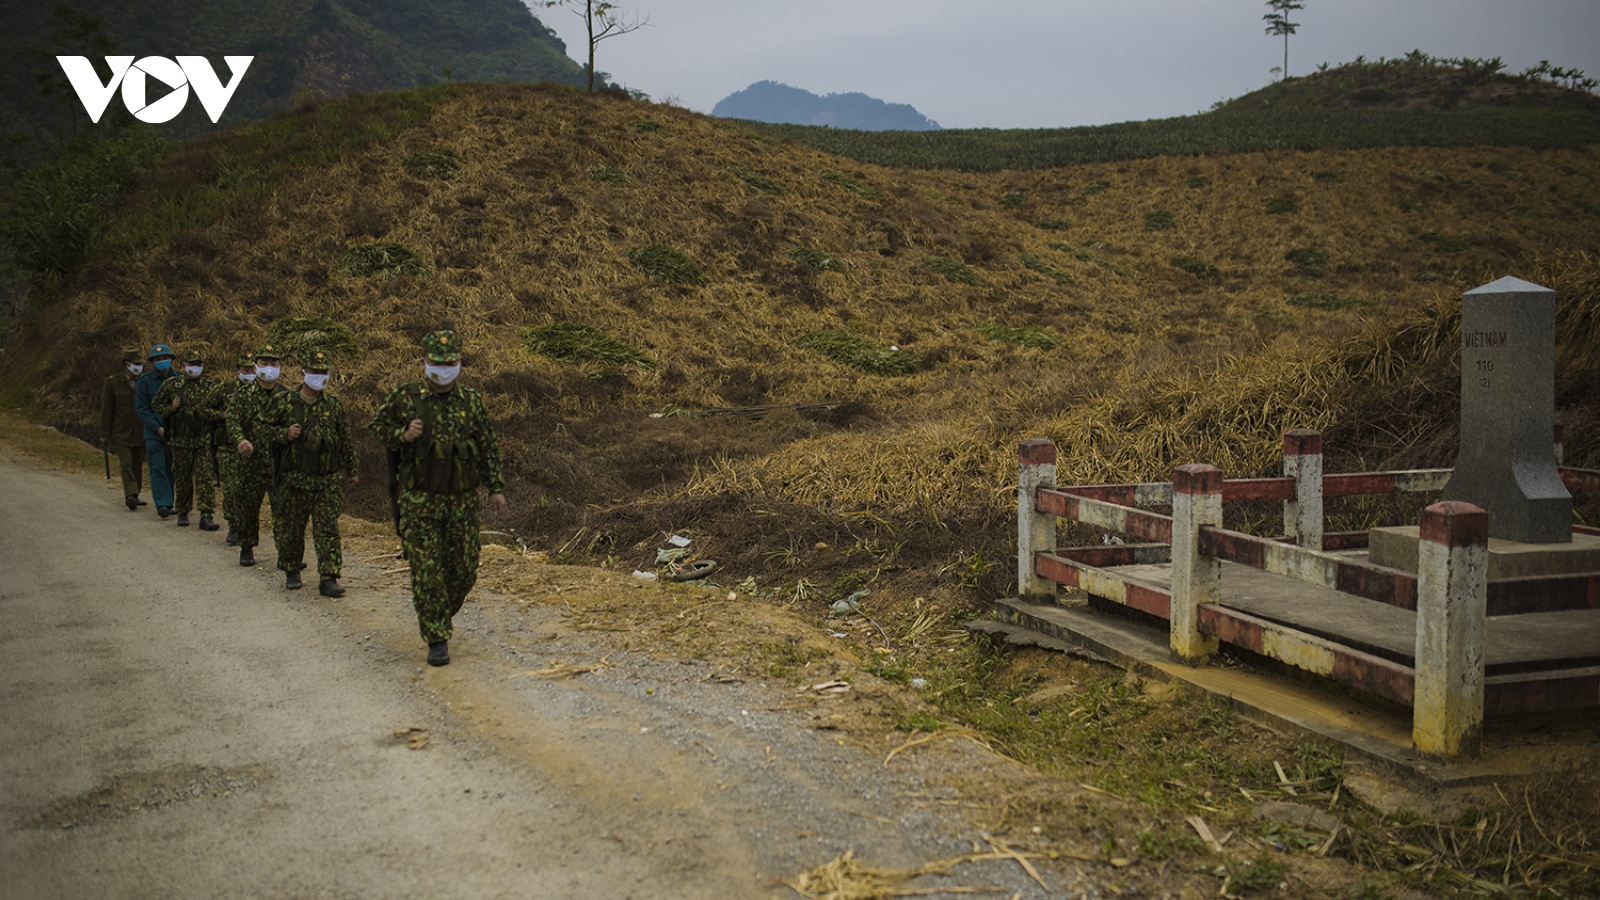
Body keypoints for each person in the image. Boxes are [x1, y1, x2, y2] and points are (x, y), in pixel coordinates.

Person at [369, 330, 506, 666]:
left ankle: (439, 613)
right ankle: (436, 637)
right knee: (427, 571)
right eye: (437, 362)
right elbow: (377, 426)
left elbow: (486, 444)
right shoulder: (406, 397)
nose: (444, 368)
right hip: (419, 502)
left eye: (451, 362)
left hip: (461, 502)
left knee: (464, 570)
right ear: (423, 362)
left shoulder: (471, 401)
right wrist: (403, 434)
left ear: (459, 364)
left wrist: (496, 487)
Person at [263, 349, 357, 596]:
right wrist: (283, 434)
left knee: (327, 530)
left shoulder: (333, 405)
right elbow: (261, 429)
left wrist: (352, 468)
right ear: (303, 372)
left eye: (324, 371)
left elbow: (345, 438)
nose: (320, 376)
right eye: (315, 371)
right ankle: (292, 570)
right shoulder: (284, 402)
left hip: (326, 481)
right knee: (292, 528)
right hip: (294, 480)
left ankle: (329, 577)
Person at [226, 344, 288, 567]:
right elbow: (232, 420)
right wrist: (240, 439)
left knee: (282, 510)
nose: (269, 368)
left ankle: (286, 553)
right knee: (248, 506)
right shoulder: (243, 394)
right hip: (250, 461)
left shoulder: (286, 396)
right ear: (255, 367)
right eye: (264, 363)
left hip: (278, 463)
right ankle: (247, 546)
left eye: (274, 364)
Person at [153, 349, 222, 530]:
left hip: (202, 440)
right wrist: (171, 408)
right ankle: (183, 511)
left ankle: (206, 515)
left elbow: (219, 410)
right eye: (191, 364)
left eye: (198, 364)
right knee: (183, 478)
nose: (195, 368)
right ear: (184, 366)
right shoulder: (172, 385)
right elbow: (156, 404)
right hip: (180, 441)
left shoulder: (210, 386)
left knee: (205, 478)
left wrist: (218, 416)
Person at [215, 354, 258, 546]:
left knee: (250, 492)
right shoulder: (226, 389)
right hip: (230, 449)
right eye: (245, 369)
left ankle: (248, 529)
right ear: (237, 370)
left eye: (251, 369)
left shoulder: (263, 391)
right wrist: (220, 415)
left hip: (255, 450)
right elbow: (203, 408)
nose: (249, 373)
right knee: (233, 488)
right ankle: (233, 525)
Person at [100, 348, 148, 510]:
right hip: (121, 432)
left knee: (137, 465)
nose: (140, 367)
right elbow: (107, 409)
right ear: (127, 364)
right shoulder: (113, 382)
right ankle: (130, 494)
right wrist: (104, 433)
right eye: (136, 364)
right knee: (126, 464)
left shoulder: (144, 381)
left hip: (140, 431)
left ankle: (136, 493)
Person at [134, 343, 179, 517]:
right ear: (153, 362)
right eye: (158, 359)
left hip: (175, 433)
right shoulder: (145, 381)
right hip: (154, 432)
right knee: (157, 467)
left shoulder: (179, 379)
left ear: (172, 360)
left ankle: (171, 501)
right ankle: (163, 503)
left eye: (165, 358)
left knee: (172, 468)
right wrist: (158, 428)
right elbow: (142, 409)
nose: (162, 362)